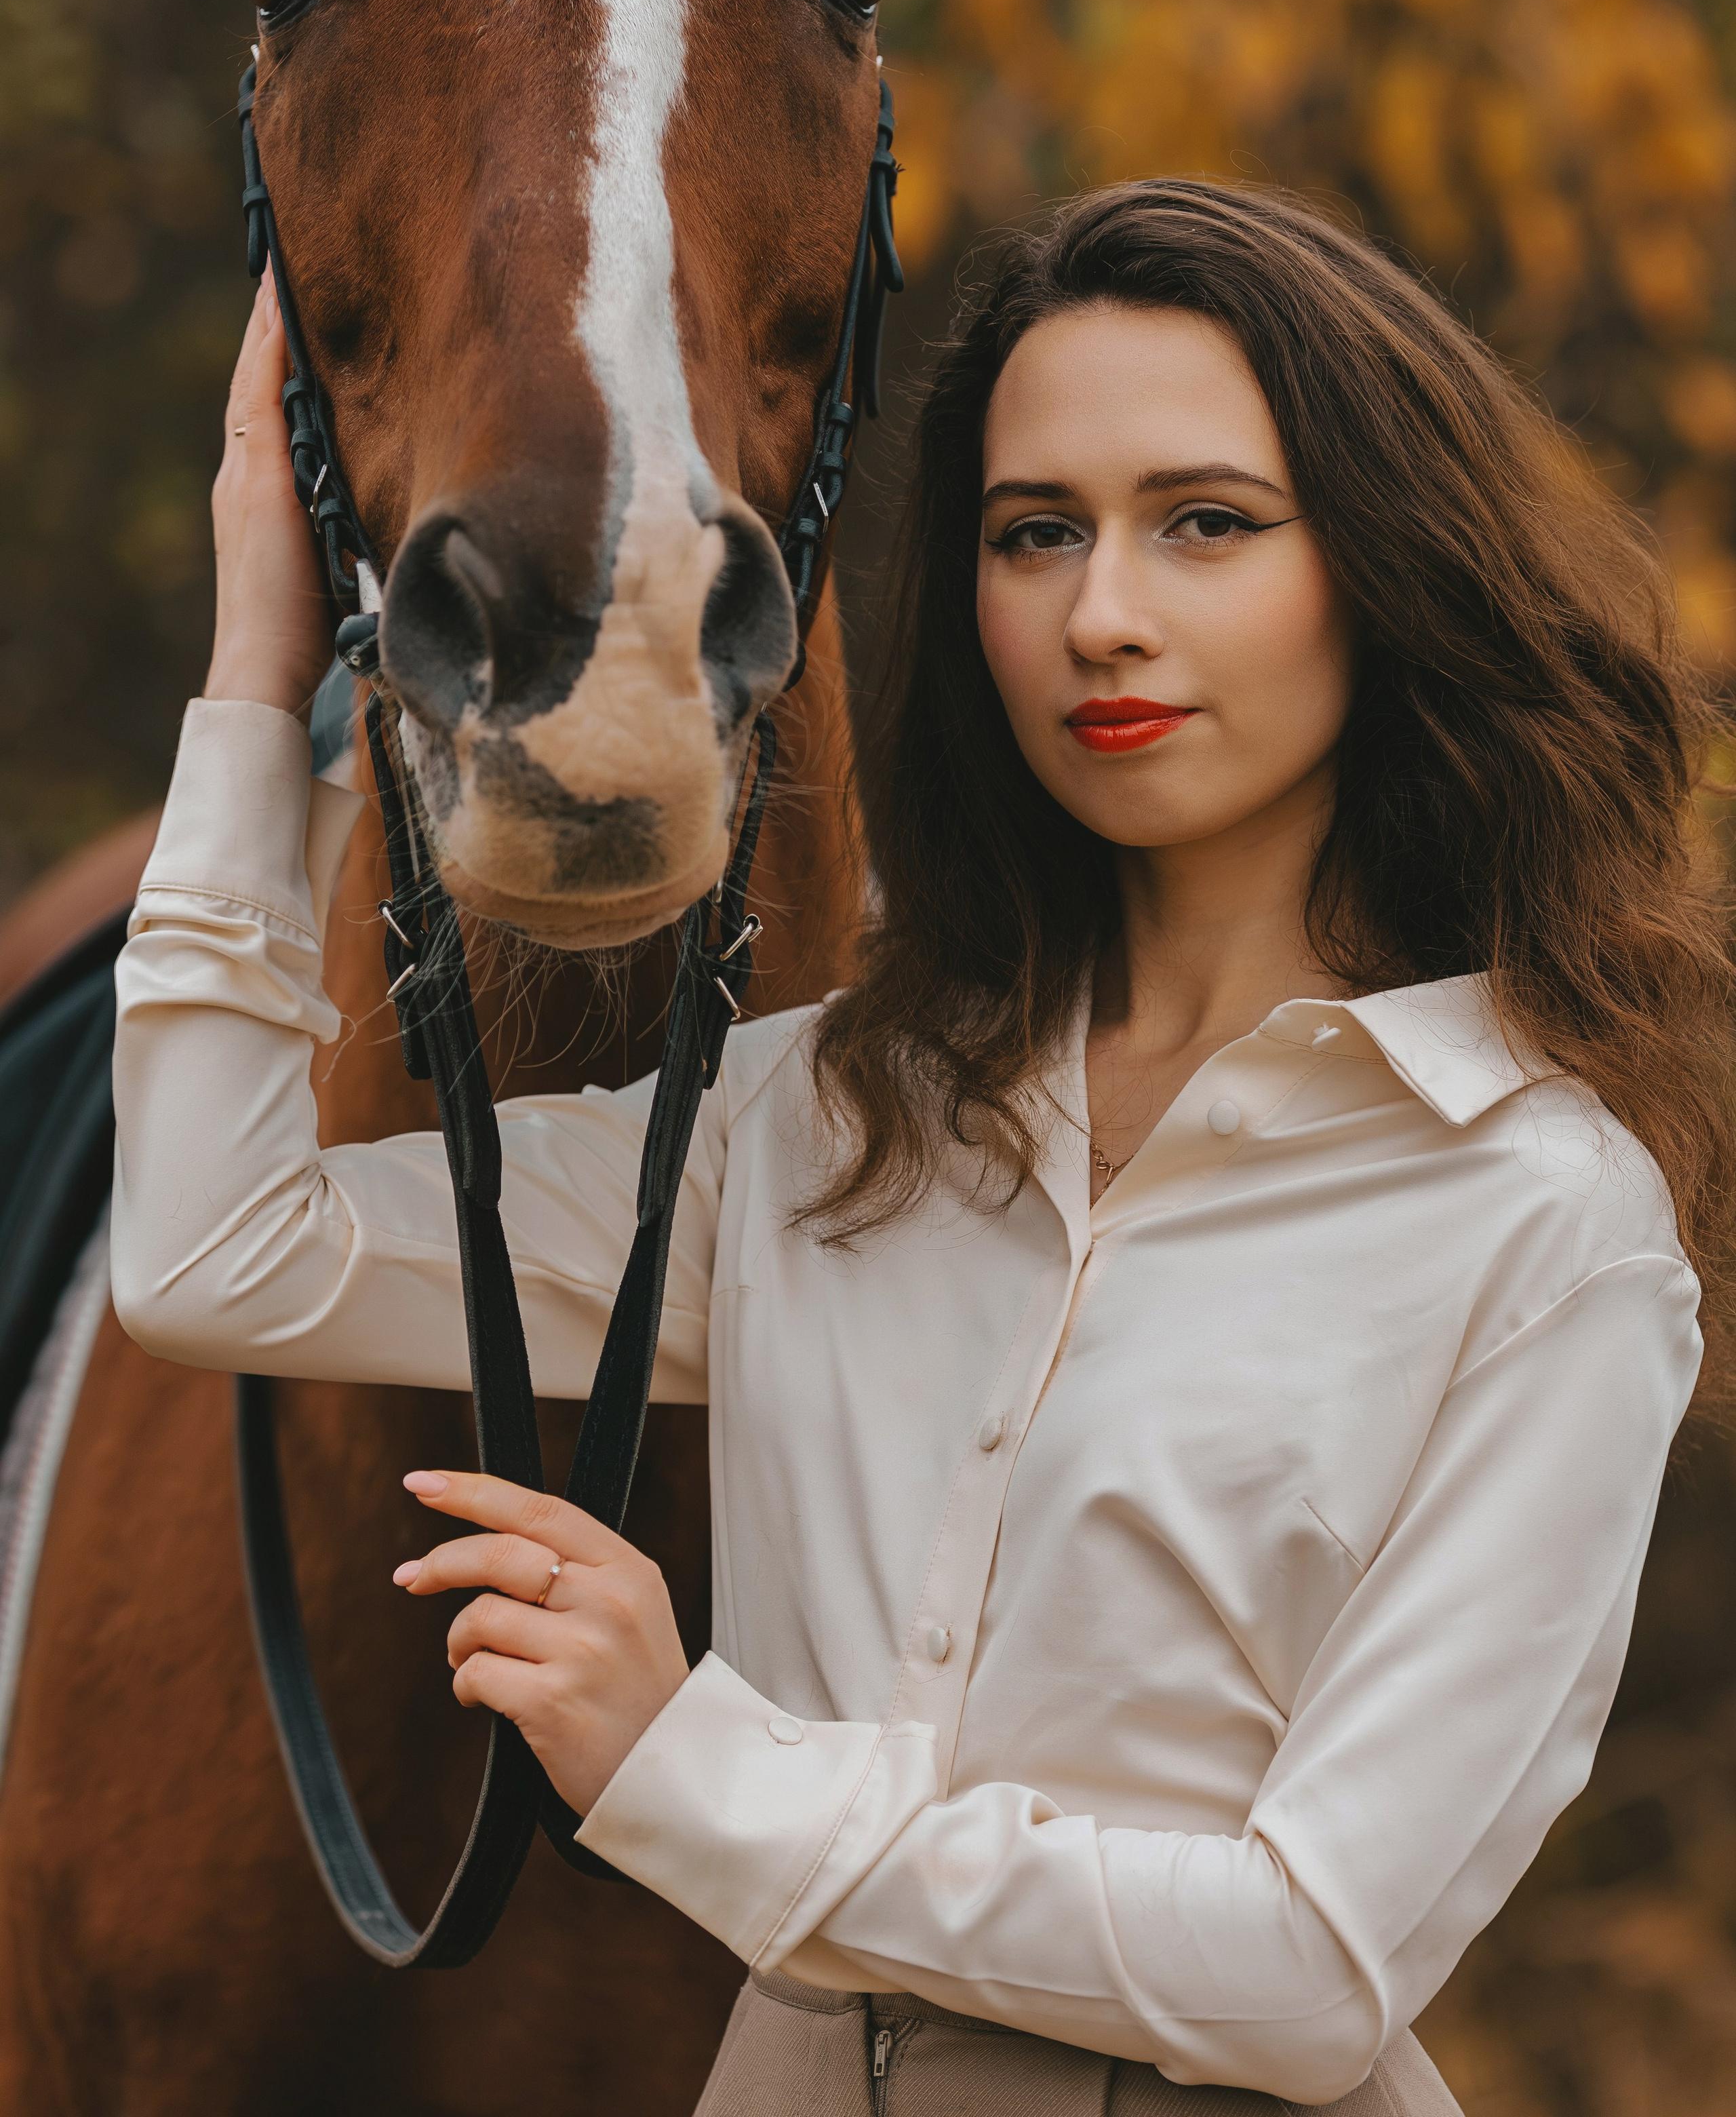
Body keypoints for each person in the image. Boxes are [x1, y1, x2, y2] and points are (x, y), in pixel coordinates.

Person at [111, 182, 1724, 2116]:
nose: (1101, 615)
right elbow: (216, 1253)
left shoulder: (1541, 1216)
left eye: (1204, 522)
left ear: (1382, 565)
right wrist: (254, 664)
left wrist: (686, 1764)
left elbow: (1312, 1971)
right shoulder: (831, 1116)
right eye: (1034, 533)